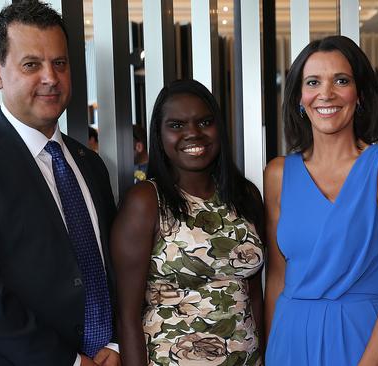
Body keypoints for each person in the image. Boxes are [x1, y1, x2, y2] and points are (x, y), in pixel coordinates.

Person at [0, 1, 119, 365]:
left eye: (60, 63)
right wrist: (73, 361)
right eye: (31, 64)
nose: (50, 78)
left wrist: (113, 344)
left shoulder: (90, 164)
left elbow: (109, 268)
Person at [263, 35, 378, 365]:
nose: (326, 93)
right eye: (313, 82)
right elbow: (276, 277)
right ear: (299, 98)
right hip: (289, 341)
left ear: (359, 94)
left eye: (341, 80)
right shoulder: (278, 174)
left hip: (362, 340)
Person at [112, 79, 265, 365]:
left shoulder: (245, 195)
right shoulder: (145, 201)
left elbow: (254, 296)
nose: (193, 133)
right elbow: (127, 317)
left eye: (204, 121)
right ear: (159, 135)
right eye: (177, 125)